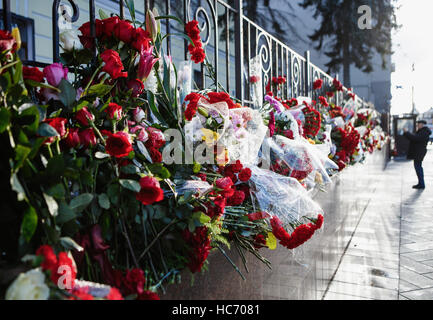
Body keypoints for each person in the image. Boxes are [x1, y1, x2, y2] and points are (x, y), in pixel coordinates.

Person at [403, 120, 432, 189]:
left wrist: (407, 132)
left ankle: (421, 184)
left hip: (419, 152)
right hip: (419, 152)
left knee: (418, 168)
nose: (417, 126)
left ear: (422, 124)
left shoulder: (424, 132)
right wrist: (407, 133)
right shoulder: (422, 131)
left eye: (418, 124)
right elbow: (413, 138)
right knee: (418, 167)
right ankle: (420, 183)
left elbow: (415, 138)